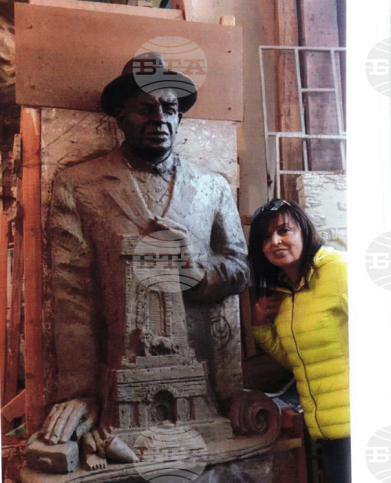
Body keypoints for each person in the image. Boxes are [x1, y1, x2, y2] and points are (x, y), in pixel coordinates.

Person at [39, 53, 250, 455]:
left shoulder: (212, 187)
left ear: (180, 119)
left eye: (169, 109)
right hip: (120, 383)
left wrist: (198, 270)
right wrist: (81, 392)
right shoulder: (78, 185)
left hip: (201, 384)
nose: (159, 119)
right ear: (120, 117)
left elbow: (239, 269)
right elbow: (72, 297)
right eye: (145, 108)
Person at [248, 199, 351, 483]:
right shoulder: (285, 293)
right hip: (329, 432)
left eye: (284, 230)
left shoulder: (338, 270)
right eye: (265, 237)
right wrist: (260, 326)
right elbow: (297, 361)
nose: (275, 241)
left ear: (304, 231)